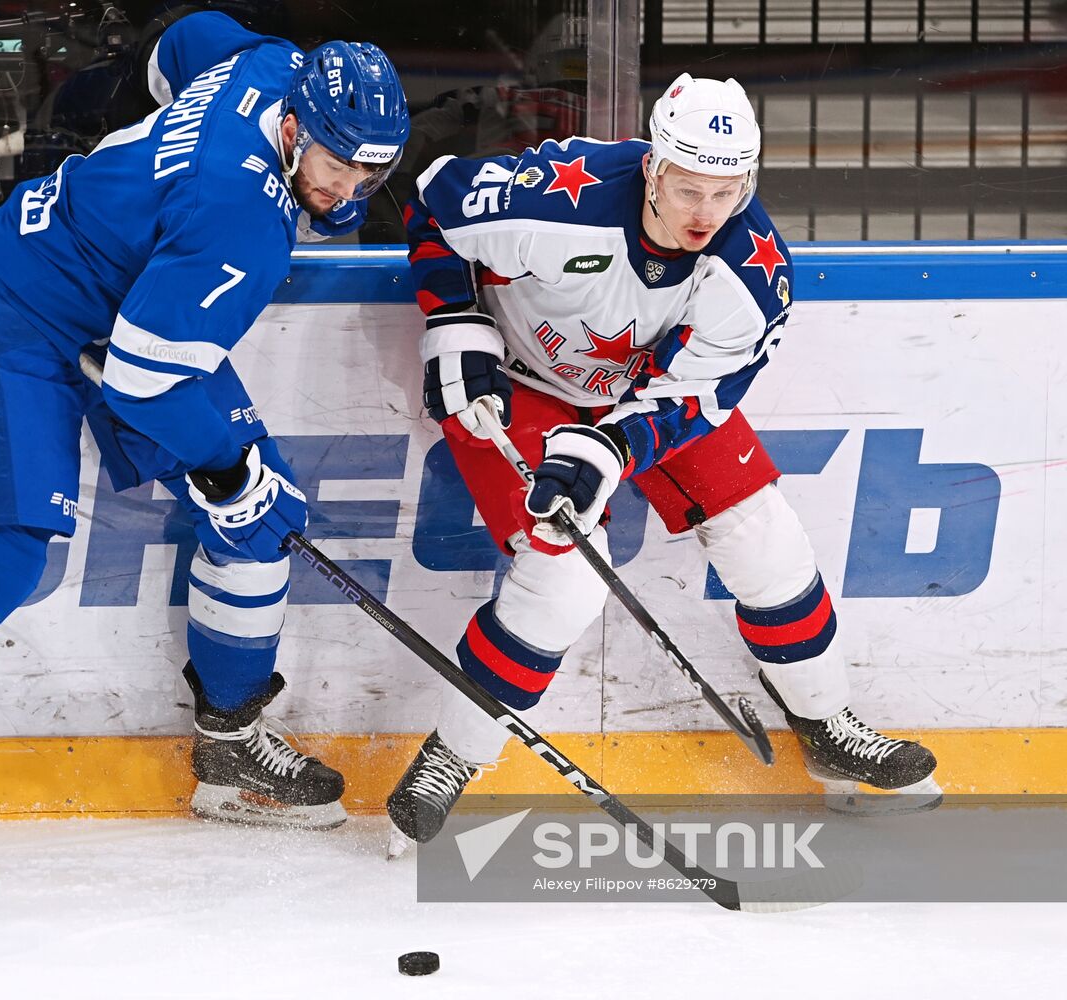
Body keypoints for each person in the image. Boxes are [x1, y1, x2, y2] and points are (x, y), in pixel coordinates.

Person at [0, 10, 410, 873]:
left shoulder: (270, 62)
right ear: (294, 129)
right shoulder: (243, 218)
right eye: (338, 169)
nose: (350, 194)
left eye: (374, 174)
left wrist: (149, 191)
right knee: (4, 550)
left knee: (264, 521)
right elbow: (147, 378)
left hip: (131, 310)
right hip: (26, 311)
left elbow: (183, 42)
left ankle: (228, 748)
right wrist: (228, 470)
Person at [386, 74, 940, 847]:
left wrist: (614, 445)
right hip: (519, 385)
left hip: (648, 393)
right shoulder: (557, 200)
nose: (705, 214)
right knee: (565, 578)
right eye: (687, 189)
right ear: (652, 167)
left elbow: (701, 397)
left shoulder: (753, 275)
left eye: (727, 191)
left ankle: (825, 722)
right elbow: (433, 201)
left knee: (764, 539)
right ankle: (454, 753)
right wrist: (453, 319)